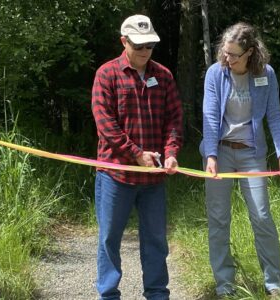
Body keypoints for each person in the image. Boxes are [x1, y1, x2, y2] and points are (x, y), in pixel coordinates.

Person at [91, 14, 183, 300]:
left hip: (153, 179)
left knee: (156, 240)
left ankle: (157, 294)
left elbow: (174, 120)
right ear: (124, 41)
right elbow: (105, 124)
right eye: (139, 45)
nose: (145, 51)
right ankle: (108, 295)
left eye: (150, 46)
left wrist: (170, 154)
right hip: (115, 176)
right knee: (109, 239)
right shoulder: (107, 74)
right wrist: (135, 154)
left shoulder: (164, 76)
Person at [200, 22, 280, 298]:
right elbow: (210, 117)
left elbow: (274, 115)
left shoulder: (266, 74)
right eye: (225, 52)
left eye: (233, 54)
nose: (227, 59)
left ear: (250, 52)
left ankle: (274, 283)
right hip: (221, 151)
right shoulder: (215, 73)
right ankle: (225, 284)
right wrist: (211, 155)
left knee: (262, 215)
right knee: (218, 218)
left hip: (252, 153)